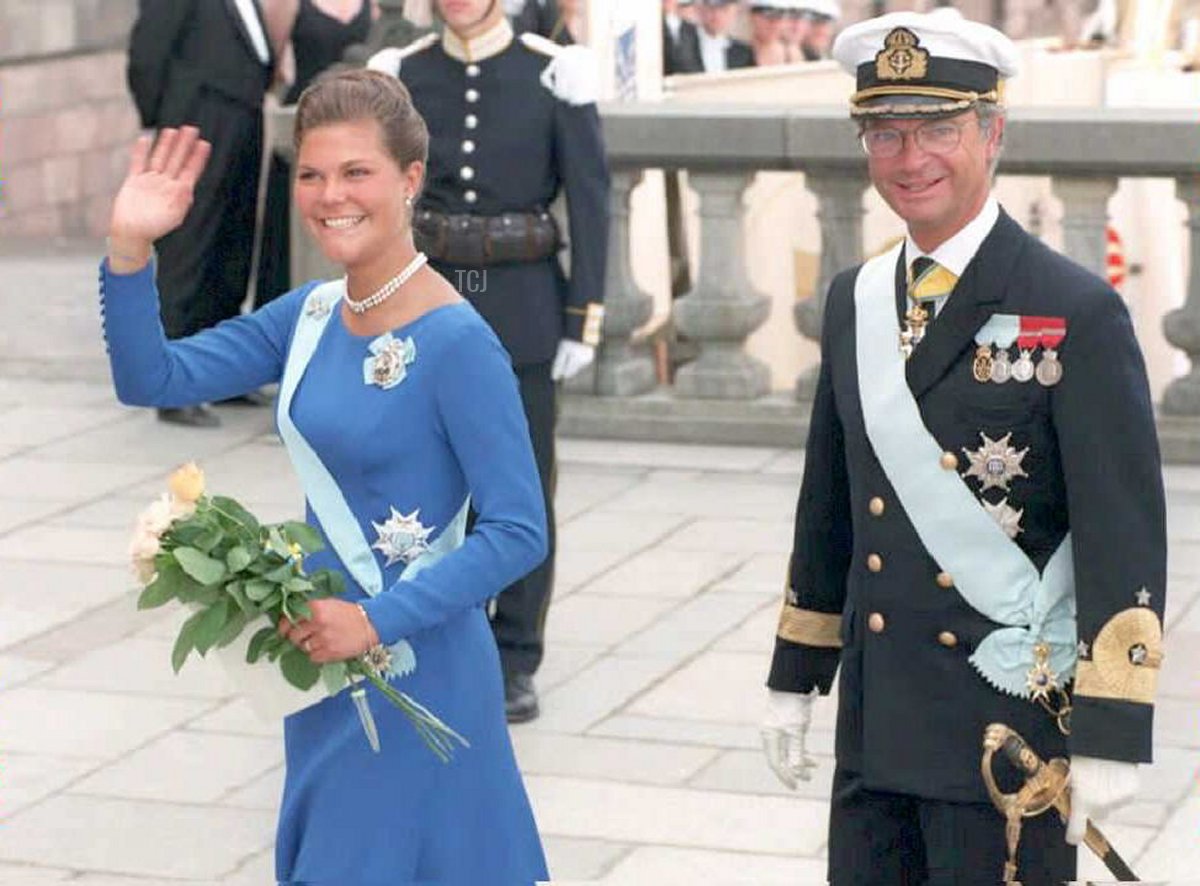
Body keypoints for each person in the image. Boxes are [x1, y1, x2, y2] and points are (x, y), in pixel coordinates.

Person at [101, 69, 549, 884]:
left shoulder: (458, 342)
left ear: (410, 180)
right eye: (310, 174)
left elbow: (519, 530)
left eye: (356, 173)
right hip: (315, 657)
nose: (329, 195)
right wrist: (131, 250)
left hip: (423, 666)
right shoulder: (305, 316)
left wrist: (377, 622)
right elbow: (152, 380)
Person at [760, 11, 1166, 885]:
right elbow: (829, 505)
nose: (912, 160)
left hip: (1007, 733)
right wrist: (796, 675)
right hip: (877, 725)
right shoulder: (855, 300)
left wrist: (1112, 733)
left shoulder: (1076, 311)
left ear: (993, 131)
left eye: (939, 128)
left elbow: (1121, 531)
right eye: (886, 132)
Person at [368, 0, 610, 723]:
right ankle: (434, 630)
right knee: (424, 478)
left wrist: (581, 315)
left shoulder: (553, 73)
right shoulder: (402, 76)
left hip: (525, 300)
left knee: (520, 487)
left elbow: (592, 200)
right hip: (432, 299)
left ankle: (514, 653)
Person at [126, 0, 275, 427]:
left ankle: (223, 375)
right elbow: (147, 53)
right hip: (196, 120)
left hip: (243, 114)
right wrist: (167, 117)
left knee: (232, 248)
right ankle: (172, 386)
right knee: (189, 249)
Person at [255, 0, 377, 309]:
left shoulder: (373, 6)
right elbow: (273, 69)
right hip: (304, 123)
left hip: (355, 129)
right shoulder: (287, 4)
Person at [677, 0, 755, 73]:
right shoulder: (682, 47)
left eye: (724, 10)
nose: (717, 14)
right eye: (711, 8)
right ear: (700, 9)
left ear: (734, 12)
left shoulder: (743, 53)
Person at [749, 1, 790, 67]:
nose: (774, 24)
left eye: (779, 18)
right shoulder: (739, 55)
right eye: (768, 17)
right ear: (752, 17)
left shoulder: (793, 56)